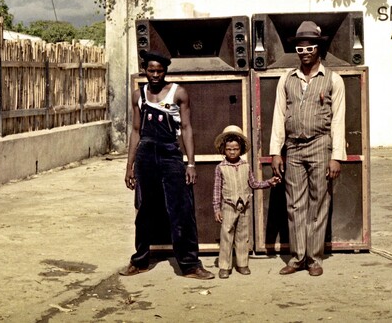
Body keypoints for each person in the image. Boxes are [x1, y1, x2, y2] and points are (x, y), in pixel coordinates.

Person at [120, 50, 214, 280]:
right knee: (144, 210)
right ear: (145, 70)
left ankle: (190, 265)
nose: (154, 75)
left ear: (165, 72)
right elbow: (134, 131)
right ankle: (140, 260)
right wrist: (129, 165)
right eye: (151, 70)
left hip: (170, 153)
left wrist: (190, 163)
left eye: (159, 71)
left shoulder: (178, 93)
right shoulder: (137, 95)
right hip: (145, 155)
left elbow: (188, 128)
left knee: (181, 210)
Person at [269, 21, 347, 277]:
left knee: (319, 202)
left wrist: (336, 157)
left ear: (319, 49)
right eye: (300, 49)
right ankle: (297, 257)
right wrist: (275, 152)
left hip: (320, 145)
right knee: (294, 204)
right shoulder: (286, 79)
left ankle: (314, 259)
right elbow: (279, 116)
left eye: (310, 48)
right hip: (293, 148)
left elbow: (338, 120)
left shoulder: (333, 80)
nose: (305, 53)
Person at [212, 125, 280, 279]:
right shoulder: (220, 168)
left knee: (243, 236)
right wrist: (217, 208)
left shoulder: (246, 166)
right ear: (224, 149)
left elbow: (254, 184)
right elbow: (216, 190)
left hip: (244, 207)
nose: (232, 152)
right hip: (228, 206)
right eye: (229, 149)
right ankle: (224, 266)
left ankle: (242, 264)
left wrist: (269, 182)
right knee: (226, 236)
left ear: (240, 149)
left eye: (235, 149)